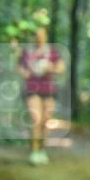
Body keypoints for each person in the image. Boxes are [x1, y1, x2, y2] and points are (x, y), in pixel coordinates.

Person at [17, 27, 64, 165]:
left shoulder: (52, 52)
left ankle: (42, 150)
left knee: (45, 121)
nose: (39, 38)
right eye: (37, 36)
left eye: (41, 35)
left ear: (46, 36)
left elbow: (61, 68)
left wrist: (51, 68)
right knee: (36, 119)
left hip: (48, 89)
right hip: (32, 89)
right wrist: (24, 72)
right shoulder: (27, 52)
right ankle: (34, 151)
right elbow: (19, 67)